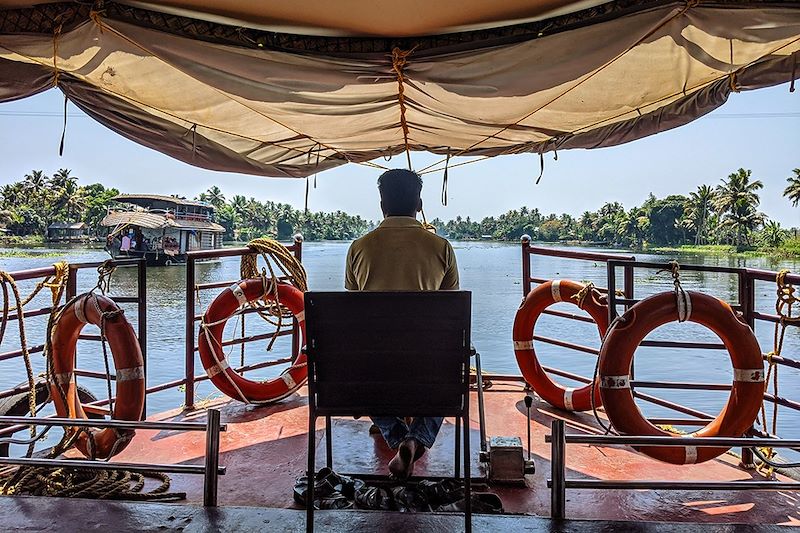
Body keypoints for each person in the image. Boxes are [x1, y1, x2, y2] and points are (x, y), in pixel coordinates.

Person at [344, 168, 459, 479]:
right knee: (451, 374)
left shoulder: (359, 248)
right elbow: (451, 313)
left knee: (361, 367)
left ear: (382, 205)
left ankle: (397, 435)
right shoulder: (441, 248)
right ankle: (416, 438)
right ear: (419, 204)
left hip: (374, 372)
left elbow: (352, 314)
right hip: (428, 371)